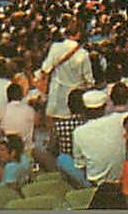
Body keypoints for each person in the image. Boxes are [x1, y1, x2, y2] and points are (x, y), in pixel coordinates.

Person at [41, 17, 95, 157]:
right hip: (75, 100)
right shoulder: (83, 54)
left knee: (56, 136)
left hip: (56, 96)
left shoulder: (55, 48)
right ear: (79, 34)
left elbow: (45, 69)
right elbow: (89, 80)